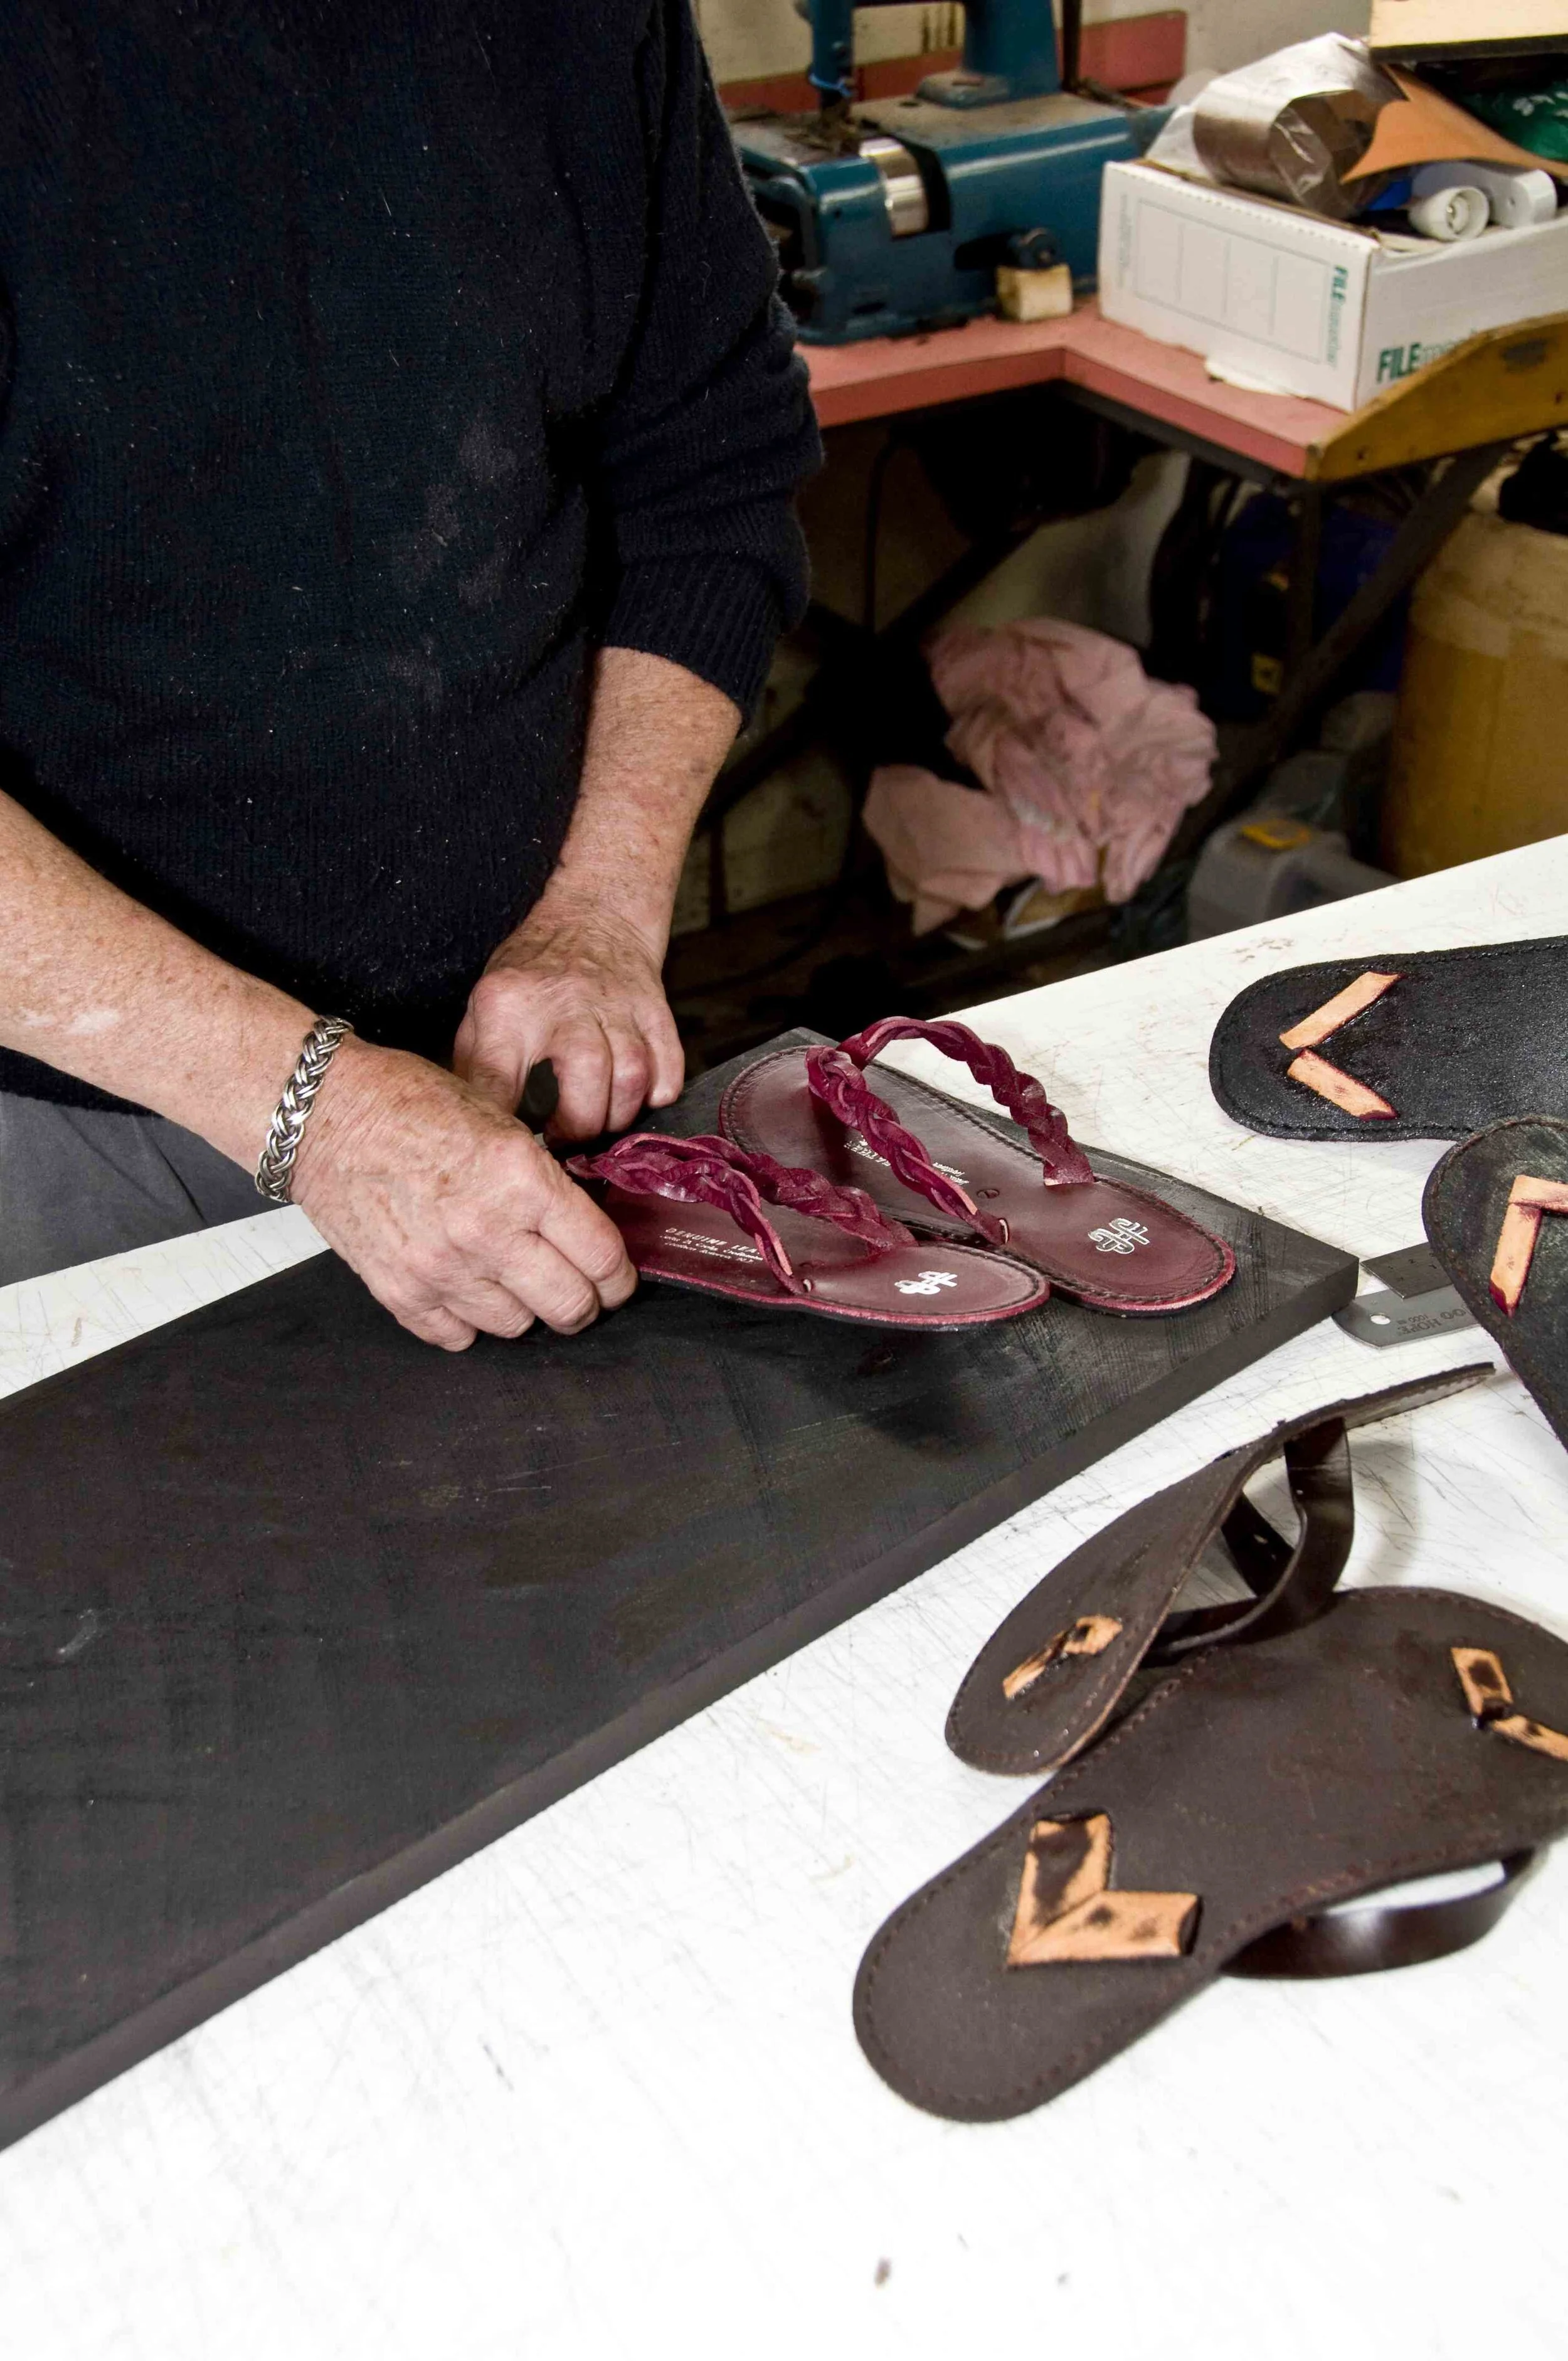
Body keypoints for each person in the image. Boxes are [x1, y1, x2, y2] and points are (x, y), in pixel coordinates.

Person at [0, 1, 819, 1344]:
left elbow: (711, 471)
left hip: (520, 1052)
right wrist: (318, 1113)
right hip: (74, 1112)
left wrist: (599, 913)